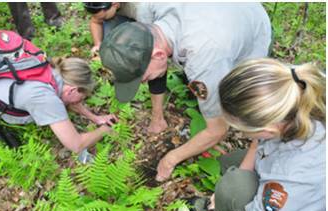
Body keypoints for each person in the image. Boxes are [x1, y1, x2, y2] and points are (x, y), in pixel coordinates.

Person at [99, 3, 272, 181]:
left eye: (143, 77)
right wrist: (157, 118)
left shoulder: (204, 58)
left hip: (252, 24)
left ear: (158, 55)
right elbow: (156, 59)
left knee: (236, 102)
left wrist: (170, 159)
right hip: (219, 15)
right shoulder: (149, 18)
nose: (143, 82)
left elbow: (218, 130)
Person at [190, 58, 326, 211]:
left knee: (231, 195)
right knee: (231, 166)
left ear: (268, 129)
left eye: (240, 129)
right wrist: (242, 173)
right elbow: (257, 144)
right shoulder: (292, 84)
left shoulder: (296, 173)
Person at [0, 57, 117, 162]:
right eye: (83, 97)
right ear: (72, 89)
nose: (82, 101)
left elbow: (70, 100)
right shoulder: (43, 97)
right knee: (8, 155)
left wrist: (95, 118)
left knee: (9, 140)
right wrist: (105, 129)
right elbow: (76, 145)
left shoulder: (43, 65)